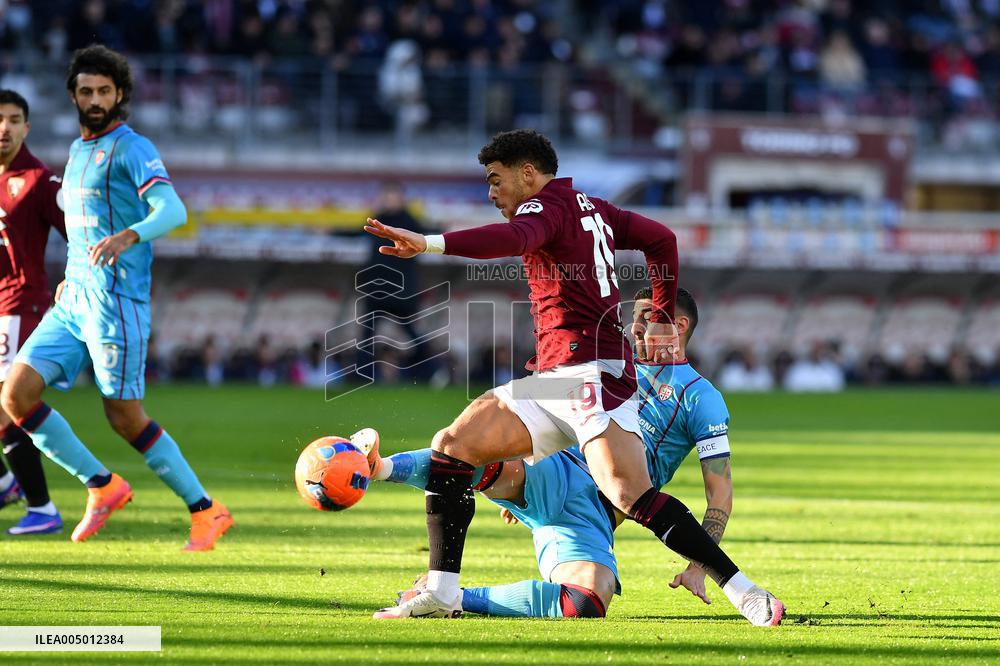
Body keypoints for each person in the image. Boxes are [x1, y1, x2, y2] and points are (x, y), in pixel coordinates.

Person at [363, 129, 783, 623]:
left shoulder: (545, 209)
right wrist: (664, 310)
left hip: (592, 376)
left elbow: (515, 237)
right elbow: (661, 240)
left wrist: (431, 243)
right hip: (558, 378)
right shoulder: (596, 210)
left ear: (528, 174)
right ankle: (441, 591)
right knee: (455, 444)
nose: (491, 193)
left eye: (496, 181)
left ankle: (742, 589)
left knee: (627, 494)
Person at [361, 287, 776, 622]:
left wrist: (699, 562)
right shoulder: (609, 365)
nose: (633, 327)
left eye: (645, 318)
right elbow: (546, 408)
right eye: (631, 318)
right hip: (558, 468)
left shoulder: (701, 398)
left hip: (595, 513)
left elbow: (719, 492)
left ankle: (460, 599)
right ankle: (376, 467)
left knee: (587, 603)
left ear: (678, 325)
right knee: (475, 456)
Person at [0, 45, 232, 550]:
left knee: (124, 417)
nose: (96, 98)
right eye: (86, 91)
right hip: (74, 298)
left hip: (116, 302)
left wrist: (130, 235)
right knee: (14, 396)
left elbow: (173, 211)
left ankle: (206, 510)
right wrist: (74, 273)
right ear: (74, 96)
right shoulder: (78, 151)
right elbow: (81, 228)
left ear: (120, 93)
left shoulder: (132, 148)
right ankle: (103, 486)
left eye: (105, 90)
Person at [0, 89, 67, 535]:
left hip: (23, 304)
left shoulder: (40, 180)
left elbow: (79, 230)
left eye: (13, 119)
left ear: (27, 127)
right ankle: (9, 483)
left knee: (9, 405)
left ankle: (41, 507)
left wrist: (75, 278)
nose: (4, 128)